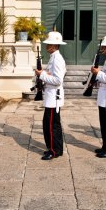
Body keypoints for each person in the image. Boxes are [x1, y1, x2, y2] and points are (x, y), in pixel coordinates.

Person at [35, 31, 66, 160]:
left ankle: (54, 150)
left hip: (54, 97)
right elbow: (52, 75)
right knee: (52, 124)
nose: (46, 46)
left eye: (48, 44)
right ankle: (56, 149)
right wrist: (45, 73)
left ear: (54, 46)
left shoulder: (57, 59)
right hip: (51, 96)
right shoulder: (54, 57)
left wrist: (41, 75)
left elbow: (58, 80)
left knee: (51, 125)